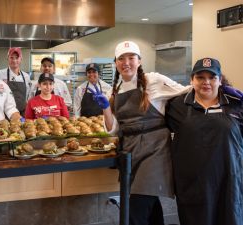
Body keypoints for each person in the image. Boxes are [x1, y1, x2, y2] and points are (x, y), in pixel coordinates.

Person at [88, 41, 191, 225]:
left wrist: (216, 89)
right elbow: (114, 129)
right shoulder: (116, 89)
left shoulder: (154, 80)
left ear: (139, 61)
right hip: (131, 152)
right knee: (150, 206)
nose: (126, 62)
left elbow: (185, 91)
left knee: (136, 210)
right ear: (116, 63)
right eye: (121, 59)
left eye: (131, 58)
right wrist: (105, 107)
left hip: (155, 151)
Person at [165, 58, 243, 225]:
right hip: (193, 184)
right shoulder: (176, 106)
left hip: (229, 182)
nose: (206, 82)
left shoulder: (236, 105)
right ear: (192, 80)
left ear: (220, 80)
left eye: (212, 77)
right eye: (200, 77)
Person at [0, 47, 31, 116]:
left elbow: (27, 96)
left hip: (22, 114)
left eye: (17, 58)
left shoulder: (26, 77)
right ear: (7, 59)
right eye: (11, 57)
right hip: (4, 114)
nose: (14, 60)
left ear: (21, 59)